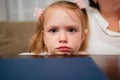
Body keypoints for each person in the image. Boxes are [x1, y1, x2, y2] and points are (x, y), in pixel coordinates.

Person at [20, 0, 88, 55]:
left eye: (71, 30)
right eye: (53, 31)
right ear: (44, 37)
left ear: (83, 36)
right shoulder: (32, 59)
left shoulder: (88, 59)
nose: (63, 38)